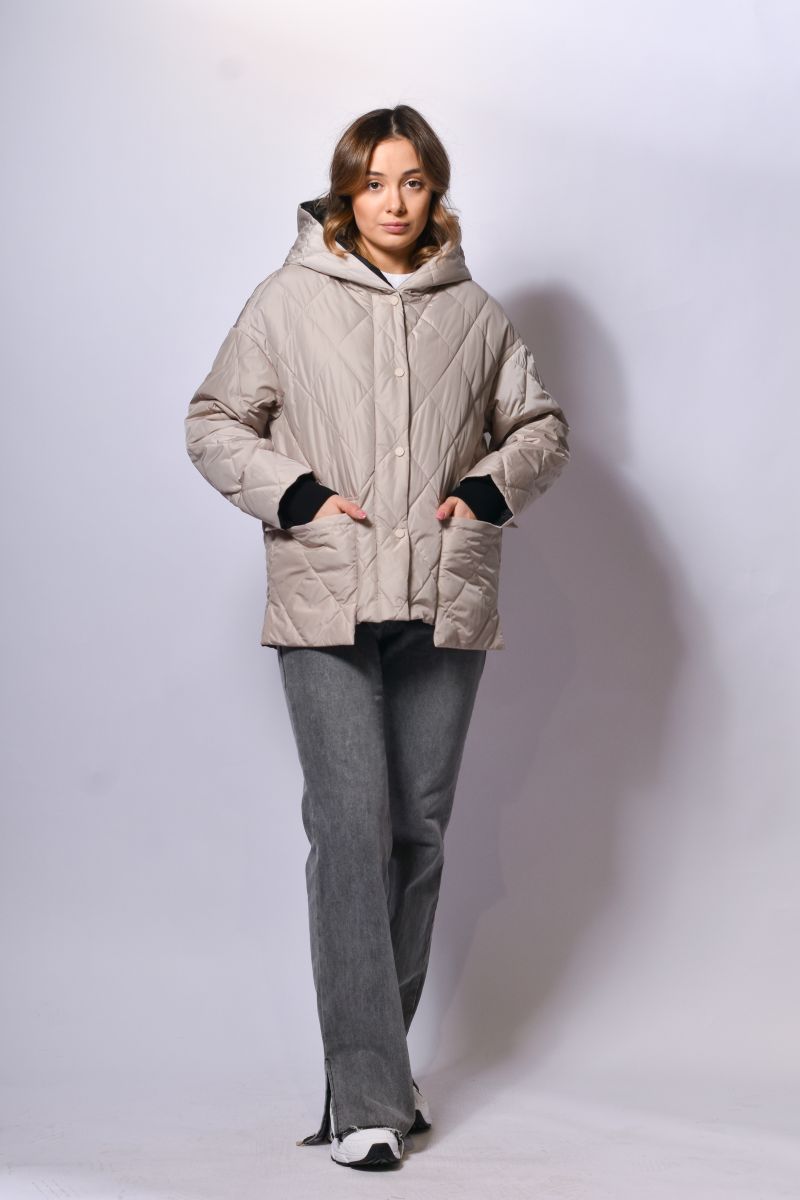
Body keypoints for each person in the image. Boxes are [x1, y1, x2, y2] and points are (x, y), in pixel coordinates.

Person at [184, 104, 570, 1170]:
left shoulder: (474, 312)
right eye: (372, 183)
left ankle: (378, 1074)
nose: (392, 202)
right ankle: (365, 1098)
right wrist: (299, 494)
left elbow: (541, 425)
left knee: (418, 834)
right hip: (327, 593)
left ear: (433, 190)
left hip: (443, 594)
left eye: (411, 181)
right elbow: (213, 420)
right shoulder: (287, 299)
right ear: (344, 191)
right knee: (350, 831)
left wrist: (485, 493)